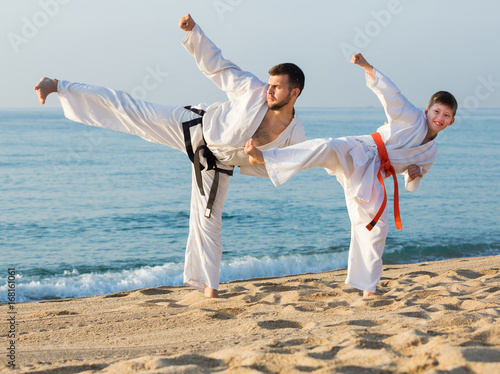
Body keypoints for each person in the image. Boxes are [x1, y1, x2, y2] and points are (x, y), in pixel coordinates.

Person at [34, 14, 307, 298]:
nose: (269, 90)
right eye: (269, 83)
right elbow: (218, 66)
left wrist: (257, 158)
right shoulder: (252, 89)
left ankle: (210, 290)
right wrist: (194, 32)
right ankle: (58, 85)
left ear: (294, 92)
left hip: (216, 163)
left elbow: (287, 166)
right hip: (194, 127)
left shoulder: (296, 136)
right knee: (130, 109)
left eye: (277, 87)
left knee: (209, 220)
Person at [245, 53, 457, 297]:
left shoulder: (430, 153)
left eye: (446, 116)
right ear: (427, 110)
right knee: (326, 146)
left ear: (451, 122)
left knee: (375, 227)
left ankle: (367, 287)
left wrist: (413, 175)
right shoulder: (410, 116)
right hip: (362, 149)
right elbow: (391, 94)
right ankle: (265, 157)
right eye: (437, 112)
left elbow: (412, 186)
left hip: (372, 176)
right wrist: (366, 67)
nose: (439, 118)